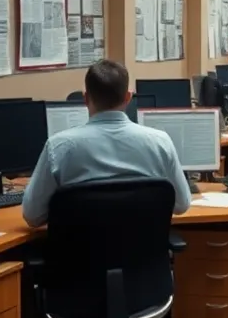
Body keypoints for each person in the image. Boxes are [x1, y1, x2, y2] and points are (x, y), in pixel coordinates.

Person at [22, 59, 193, 227]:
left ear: (86, 98)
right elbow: (181, 204)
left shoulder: (58, 147)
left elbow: (32, 216)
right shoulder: (160, 143)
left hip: (80, 254)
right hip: (143, 253)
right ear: (128, 97)